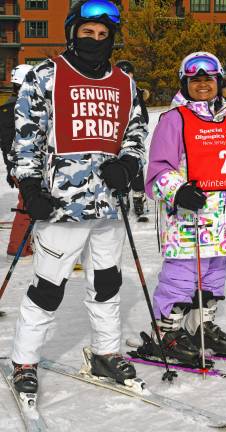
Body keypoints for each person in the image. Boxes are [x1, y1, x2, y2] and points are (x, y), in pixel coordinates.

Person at [10, 0, 147, 394]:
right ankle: (24, 360)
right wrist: (31, 187)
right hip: (60, 206)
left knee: (107, 283)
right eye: (88, 33)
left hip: (108, 206)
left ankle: (105, 352)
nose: (96, 41)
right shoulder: (46, 75)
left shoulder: (125, 81)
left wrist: (129, 164)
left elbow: (136, 132)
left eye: (104, 36)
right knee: (48, 288)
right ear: (73, 32)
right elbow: (27, 137)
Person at [139, 52, 226, 365]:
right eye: (194, 79)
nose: (202, 84)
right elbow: (157, 171)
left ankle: (201, 326)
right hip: (189, 215)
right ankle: (165, 330)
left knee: (214, 274)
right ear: (185, 83)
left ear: (219, 81)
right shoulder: (174, 119)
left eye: (208, 79)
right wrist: (178, 190)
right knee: (182, 275)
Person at [0, 64, 33, 261]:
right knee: (28, 203)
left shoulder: (6, 109)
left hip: (16, 165)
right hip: (26, 165)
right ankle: (19, 246)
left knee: (28, 201)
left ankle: (22, 244)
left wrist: (9, 168)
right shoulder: (23, 109)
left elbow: (5, 144)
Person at [115, 60, 150, 221]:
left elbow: (144, 116)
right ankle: (121, 196)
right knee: (118, 168)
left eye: (128, 74)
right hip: (115, 138)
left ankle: (138, 196)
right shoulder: (112, 90)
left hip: (132, 136)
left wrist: (137, 129)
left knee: (134, 166)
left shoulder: (135, 90)